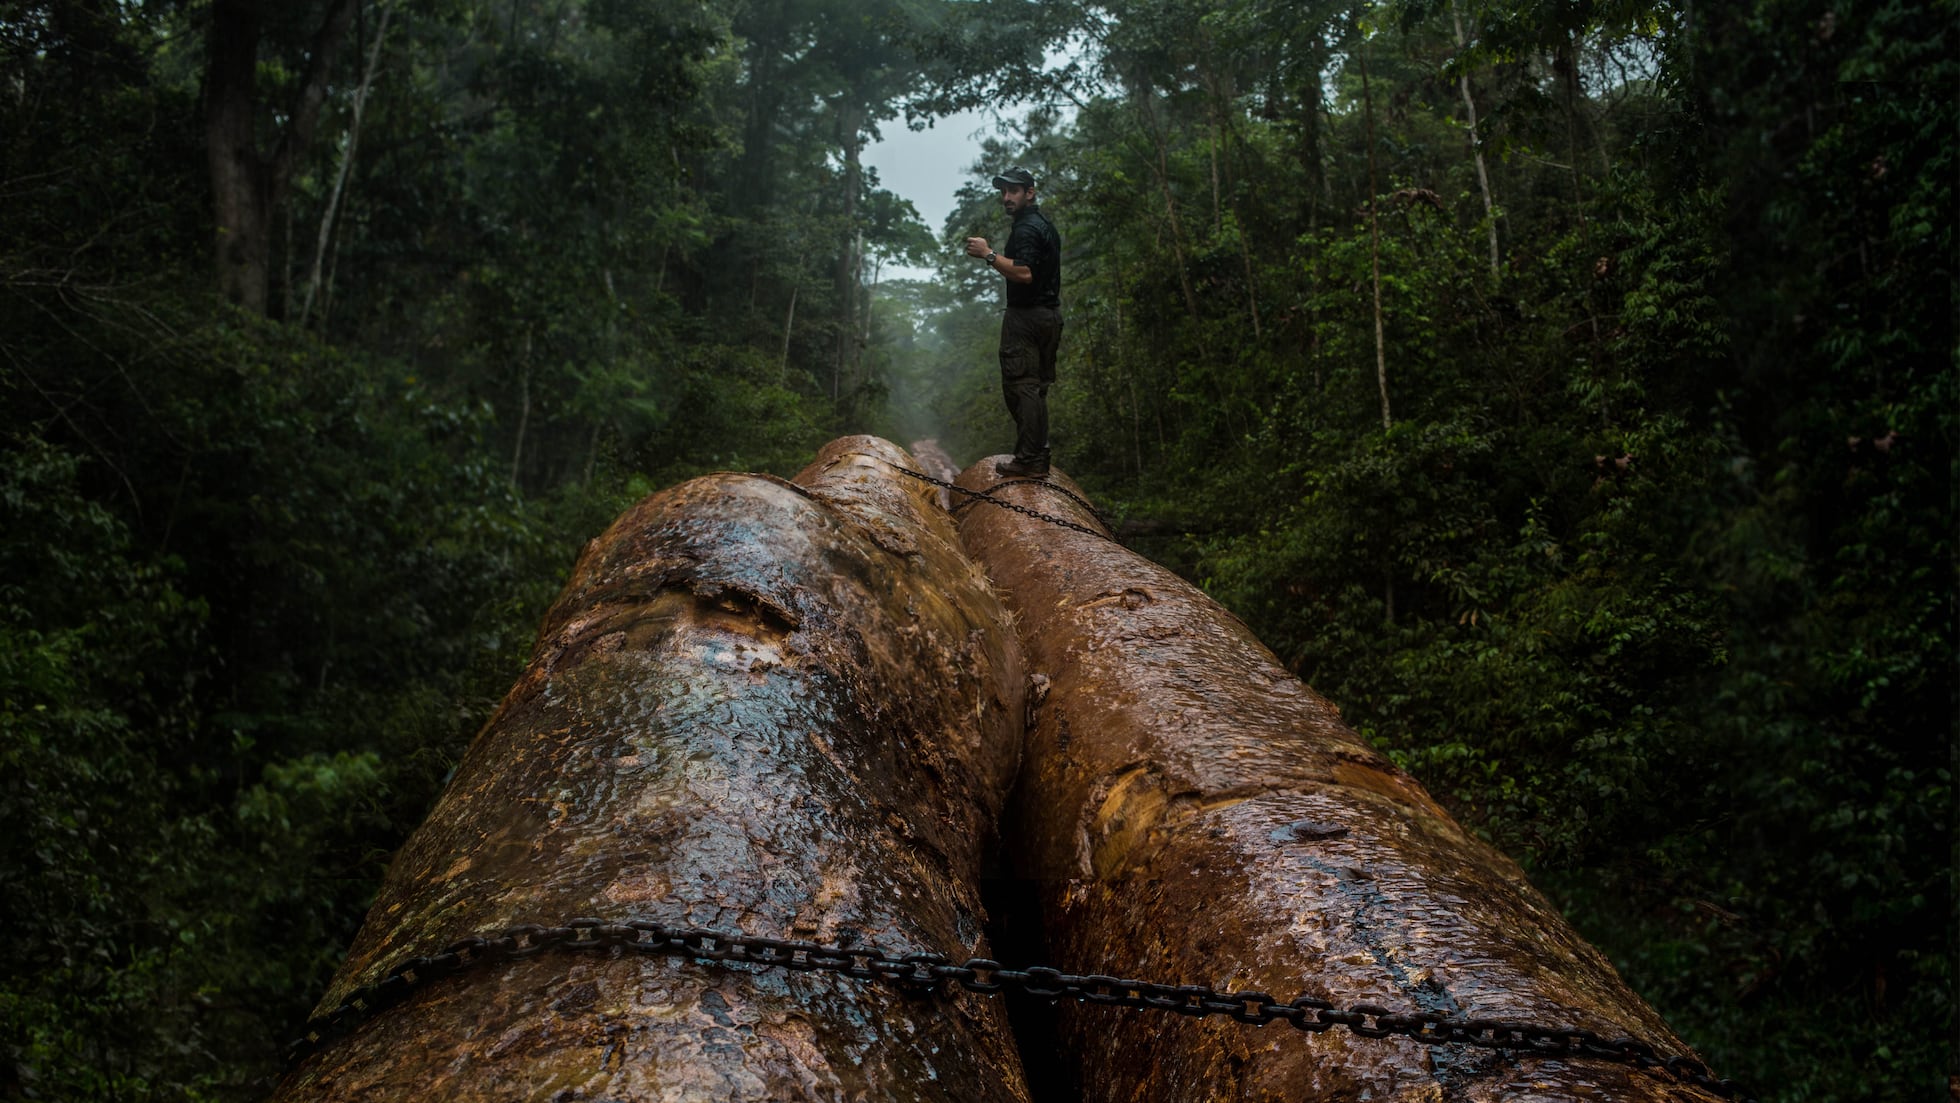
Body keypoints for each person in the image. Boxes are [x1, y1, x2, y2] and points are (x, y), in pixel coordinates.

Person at [965, 167, 1062, 478]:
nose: (1007, 197)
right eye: (1004, 191)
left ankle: (1030, 459)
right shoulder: (1042, 224)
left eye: (1014, 191)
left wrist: (988, 254)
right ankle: (1037, 455)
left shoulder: (1027, 229)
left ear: (1029, 193)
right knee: (1034, 389)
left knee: (1022, 388)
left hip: (1028, 317)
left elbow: (1025, 273)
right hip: (1047, 315)